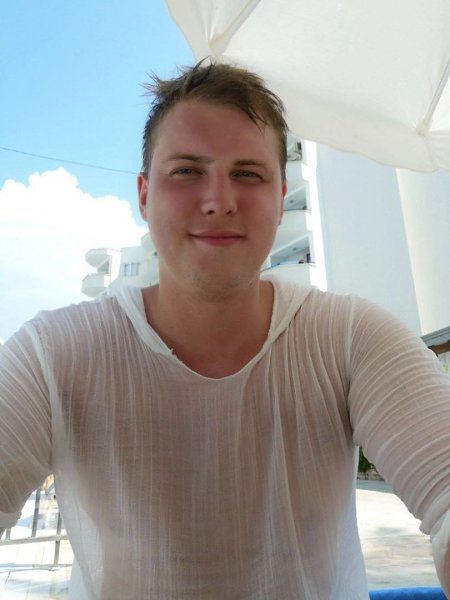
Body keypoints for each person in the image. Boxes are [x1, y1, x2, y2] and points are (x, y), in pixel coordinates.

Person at [1, 61, 450, 600]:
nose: (219, 200)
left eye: (248, 174)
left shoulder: (352, 338)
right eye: (187, 171)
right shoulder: (54, 353)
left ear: (281, 197)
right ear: (143, 195)